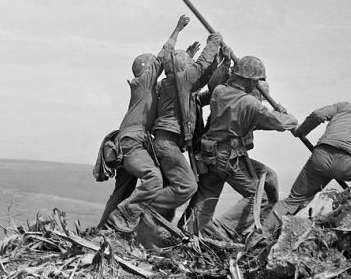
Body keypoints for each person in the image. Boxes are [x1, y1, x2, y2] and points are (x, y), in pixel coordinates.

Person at [189, 55, 298, 238]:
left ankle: (191, 232)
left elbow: (254, 121)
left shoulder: (219, 92)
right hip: (229, 156)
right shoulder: (250, 103)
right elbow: (280, 123)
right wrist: (288, 116)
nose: (256, 85)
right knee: (258, 198)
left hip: (210, 153)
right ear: (249, 80)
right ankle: (222, 230)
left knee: (207, 196)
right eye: (255, 81)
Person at [102, 17, 191, 233]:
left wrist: (186, 57)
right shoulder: (143, 83)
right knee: (154, 178)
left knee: (122, 191)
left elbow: (175, 79)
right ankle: (125, 216)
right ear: (147, 69)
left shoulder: (148, 90)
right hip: (132, 142)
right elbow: (163, 55)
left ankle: (103, 229)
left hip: (130, 142)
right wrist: (177, 30)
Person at [269, 97, 351, 224]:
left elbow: (318, 115)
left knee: (291, 201)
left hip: (320, 158)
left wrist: (300, 131)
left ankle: (262, 230)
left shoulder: (345, 107)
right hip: (347, 165)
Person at [147, 17, 223, 219]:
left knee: (172, 188)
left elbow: (203, 78)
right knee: (187, 186)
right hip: (168, 143)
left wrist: (218, 61)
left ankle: (153, 223)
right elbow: (201, 66)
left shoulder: (171, 83)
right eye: (188, 64)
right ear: (183, 68)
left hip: (166, 142)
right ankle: (142, 210)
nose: (191, 67)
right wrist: (214, 42)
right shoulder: (181, 80)